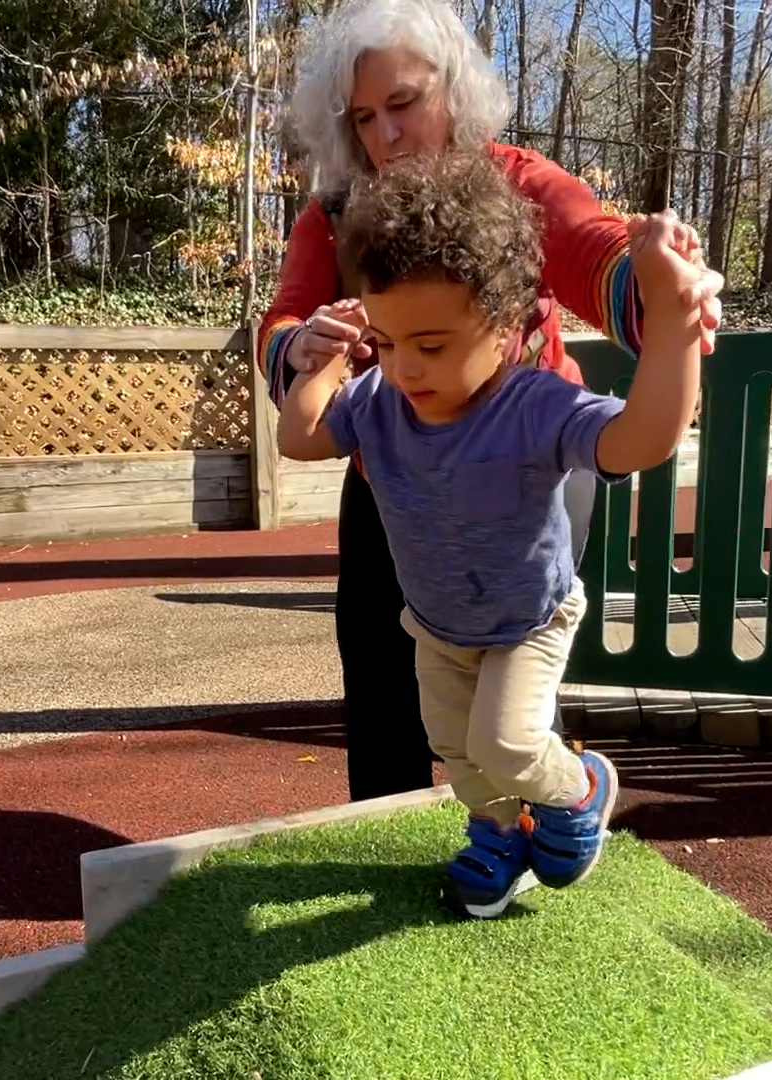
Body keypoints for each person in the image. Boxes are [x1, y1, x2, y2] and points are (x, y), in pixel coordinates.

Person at [260, 0, 725, 802]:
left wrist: (660, 289)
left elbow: (597, 250)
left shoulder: (515, 182)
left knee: (505, 666)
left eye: (403, 104)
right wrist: (305, 345)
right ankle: (398, 828)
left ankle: (546, 802)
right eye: (364, 117)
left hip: (525, 460)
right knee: (381, 665)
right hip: (397, 465)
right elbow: (289, 317)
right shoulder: (337, 213)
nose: (385, 136)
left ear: (455, 92)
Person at [277, 151, 705, 918]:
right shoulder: (378, 398)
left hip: (526, 623)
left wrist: (671, 326)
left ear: (506, 324)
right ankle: (500, 836)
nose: (406, 366)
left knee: (508, 745)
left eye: (432, 345)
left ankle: (581, 787)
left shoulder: (534, 407)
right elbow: (299, 438)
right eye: (391, 340)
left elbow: (641, 440)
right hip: (438, 626)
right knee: (457, 753)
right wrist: (329, 358)